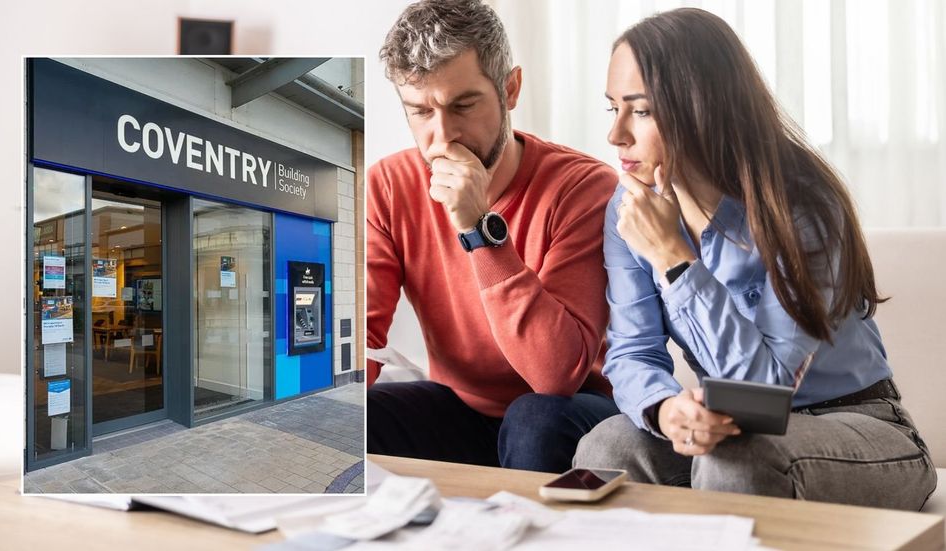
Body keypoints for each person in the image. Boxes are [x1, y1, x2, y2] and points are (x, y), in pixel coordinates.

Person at [574, 8, 937, 509]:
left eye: (640, 110)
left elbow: (766, 389)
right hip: (734, 426)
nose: (616, 135)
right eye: (611, 107)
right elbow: (632, 352)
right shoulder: (629, 207)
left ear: (698, 107)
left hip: (860, 427)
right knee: (606, 446)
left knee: (740, 460)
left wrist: (676, 260)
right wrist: (665, 410)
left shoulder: (802, 204)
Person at [366, 0, 619, 472]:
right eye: (420, 111)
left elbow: (555, 375)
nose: (442, 138)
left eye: (463, 105)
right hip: (460, 409)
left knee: (533, 419)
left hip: (571, 410)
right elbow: (361, 334)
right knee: (352, 417)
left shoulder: (584, 187)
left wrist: (480, 231)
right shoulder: (387, 185)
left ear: (510, 88)